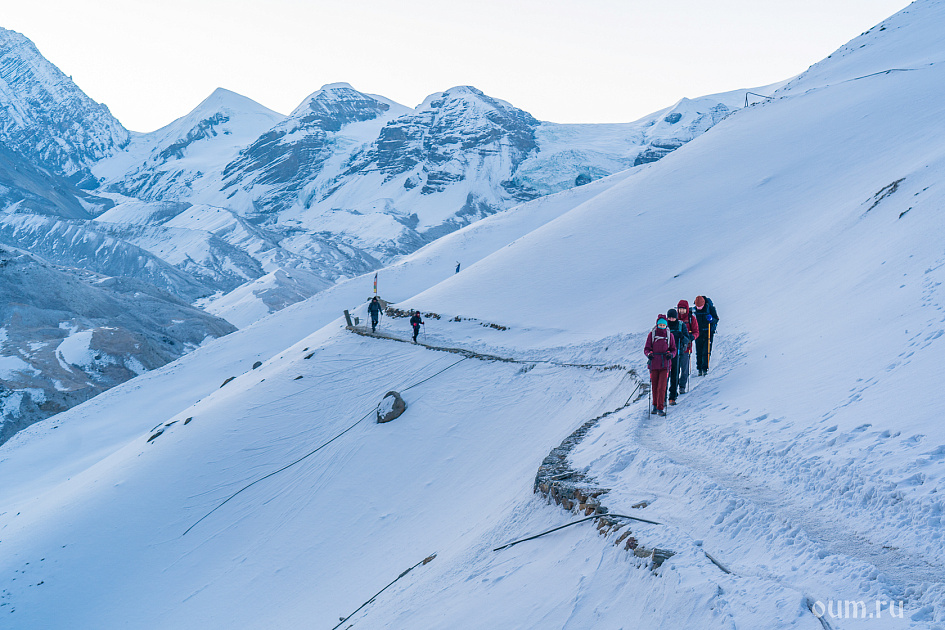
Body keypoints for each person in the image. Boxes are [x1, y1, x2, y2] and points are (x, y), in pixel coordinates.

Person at [644, 314, 677, 416]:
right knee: (654, 386)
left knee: (662, 387)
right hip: (654, 364)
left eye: (664, 325)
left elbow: (673, 349)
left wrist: (671, 355)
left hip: (665, 365)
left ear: (666, 325)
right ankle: (654, 405)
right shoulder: (652, 334)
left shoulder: (669, 335)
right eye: (660, 324)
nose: (662, 326)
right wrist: (649, 354)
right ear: (657, 324)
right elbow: (646, 348)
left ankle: (660, 407)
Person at [665, 308, 691, 406]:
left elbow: (687, 339)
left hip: (677, 353)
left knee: (675, 375)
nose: (671, 319)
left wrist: (682, 337)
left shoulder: (681, 325)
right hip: (666, 354)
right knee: (665, 377)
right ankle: (663, 398)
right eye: (670, 317)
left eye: (673, 317)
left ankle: (672, 397)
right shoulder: (665, 325)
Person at [675, 299, 699, 393]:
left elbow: (696, 331)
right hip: (675, 348)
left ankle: (682, 386)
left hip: (686, 347)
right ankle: (674, 388)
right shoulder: (675, 318)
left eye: (683, 309)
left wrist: (692, 337)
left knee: (685, 370)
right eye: (680, 309)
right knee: (675, 370)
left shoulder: (691, 319)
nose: (681, 311)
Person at [693, 296, 720, 375]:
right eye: (698, 306)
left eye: (700, 306)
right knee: (699, 351)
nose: (699, 308)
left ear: (704, 304)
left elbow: (716, 319)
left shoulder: (710, 308)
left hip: (708, 332)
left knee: (706, 350)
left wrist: (711, 319)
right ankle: (699, 368)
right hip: (698, 332)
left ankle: (705, 368)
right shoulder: (695, 310)